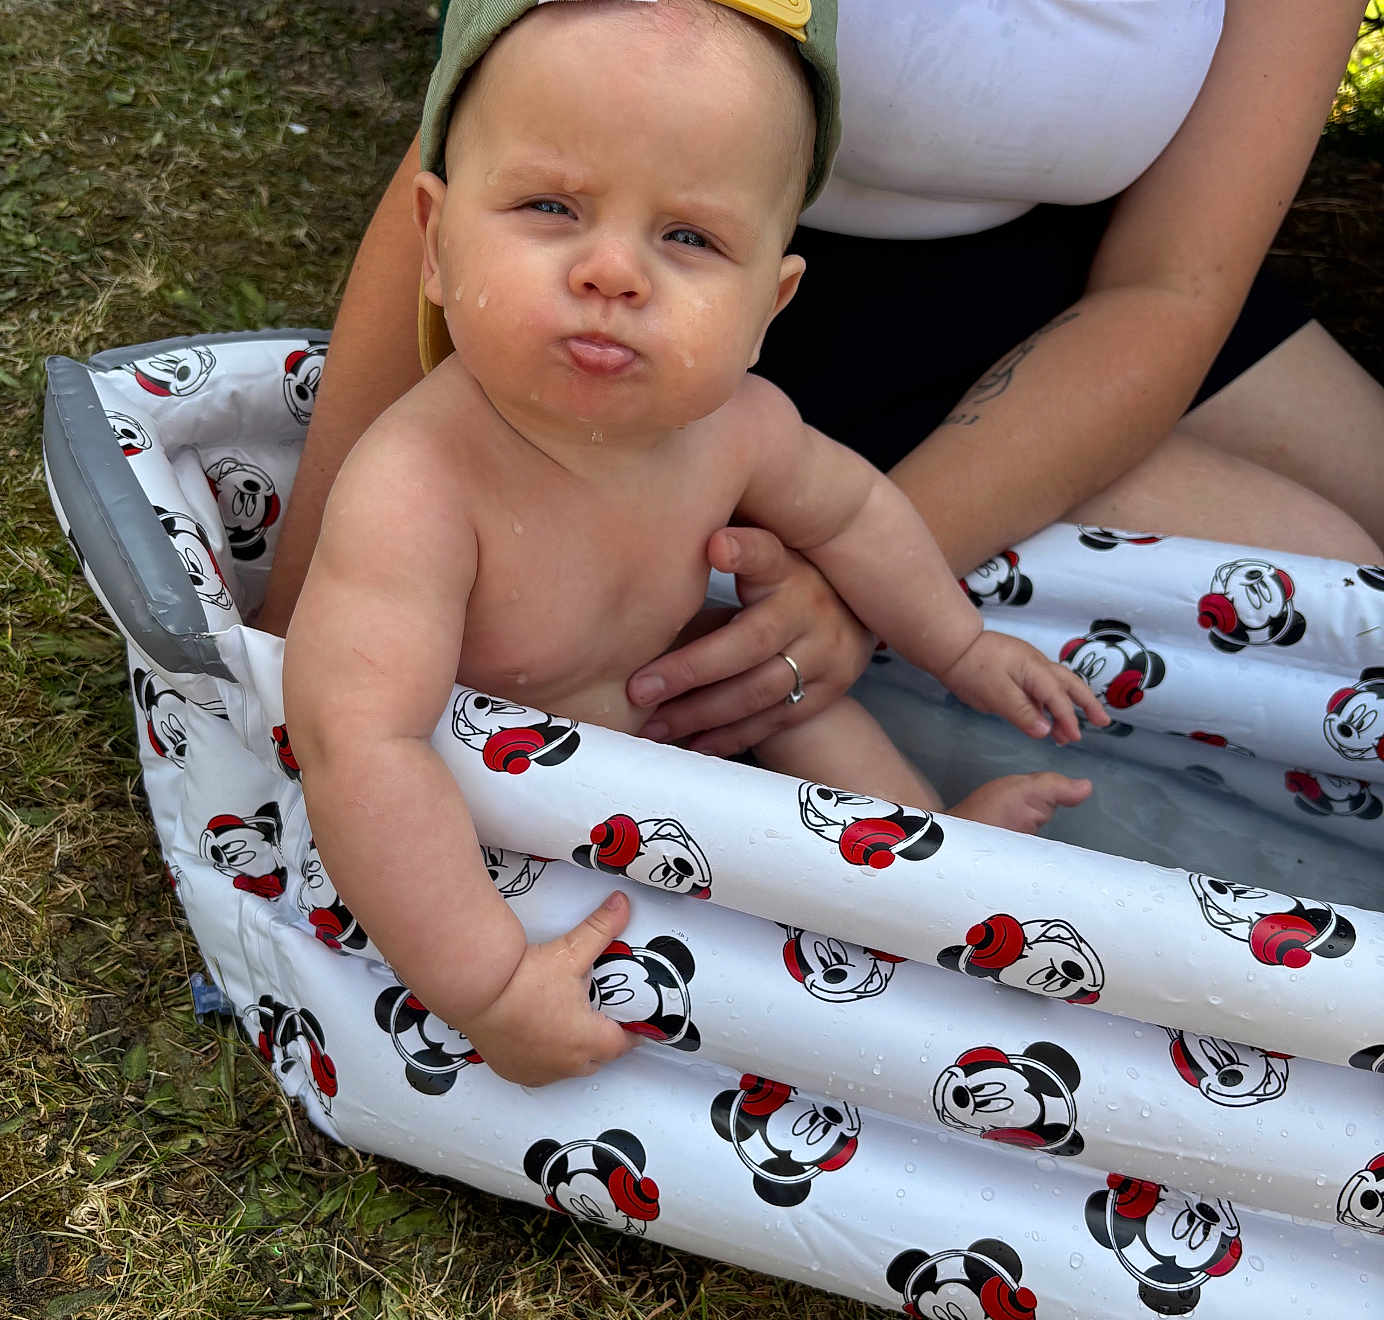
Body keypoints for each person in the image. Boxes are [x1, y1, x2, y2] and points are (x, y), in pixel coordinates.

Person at [282, 0, 1110, 1089]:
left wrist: (961, 647)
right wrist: (485, 985)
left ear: (769, 306)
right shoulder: (419, 484)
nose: (613, 272)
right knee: (428, 816)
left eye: (689, 238)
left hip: (689, 740)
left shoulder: (740, 428)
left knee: (813, 710)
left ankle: (931, 858)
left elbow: (855, 519)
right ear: (433, 245)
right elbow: (362, 745)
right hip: (513, 830)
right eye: (549, 206)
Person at [255, 0, 1384, 767]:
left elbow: (1176, 288)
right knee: (1322, 563)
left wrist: (861, 595)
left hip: (1064, 261)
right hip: (712, 260)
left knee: (1354, 609)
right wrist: (294, 647)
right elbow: (475, 152)